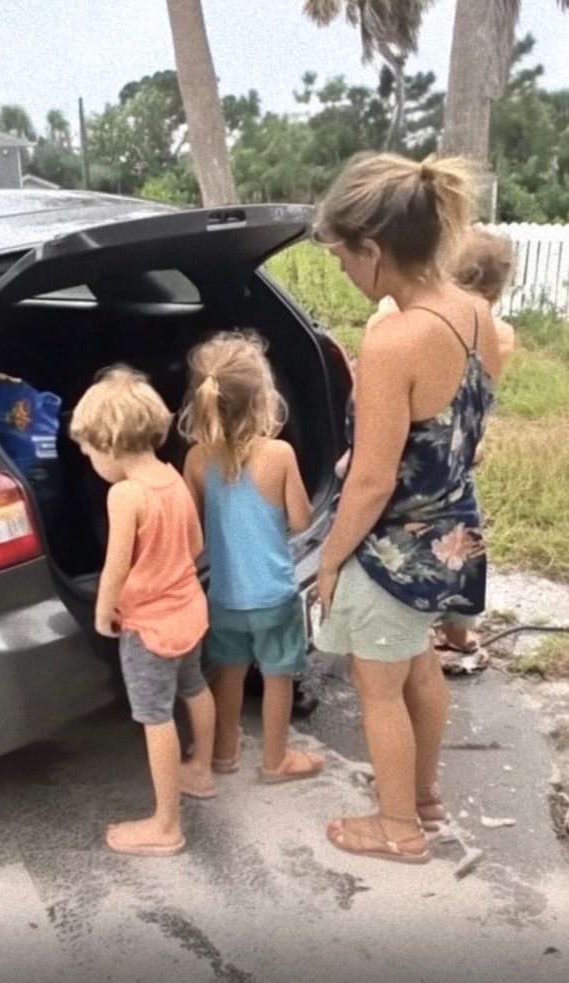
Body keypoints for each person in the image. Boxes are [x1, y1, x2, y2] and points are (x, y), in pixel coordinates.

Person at [312, 152, 503, 864]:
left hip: (396, 546)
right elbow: (456, 430)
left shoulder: (393, 337)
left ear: (373, 246)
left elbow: (370, 483)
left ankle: (396, 829)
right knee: (420, 665)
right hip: (454, 532)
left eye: (341, 257)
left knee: (378, 686)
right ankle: (421, 798)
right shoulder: (474, 312)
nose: (341, 271)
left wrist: (329, 561)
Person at [69, 366, 217, 857]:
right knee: (195, 687)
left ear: (109, 445)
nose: (89, 461)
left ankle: (166, 824)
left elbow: (113, 569)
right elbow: (195, 544)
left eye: (88, 452)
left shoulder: (124, 494)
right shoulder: (172, 478)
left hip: (150, 627)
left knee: (156, 718)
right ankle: (202, 770)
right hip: (189, 611)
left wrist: (102, 612)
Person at [363, 226, 517, 669]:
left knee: (418, 543)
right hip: (461, 456)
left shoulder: (399, 326)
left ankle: (421, 625)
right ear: (495, 288)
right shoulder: (495, 331)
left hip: (417, 464)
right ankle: (456, 632)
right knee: (461, 535)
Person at [178, 331, 325, 784]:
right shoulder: (279, 454)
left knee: (230, 674)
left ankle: (223, 753)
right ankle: (274, 760)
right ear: (263, 398)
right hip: (275, 597)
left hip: (224, 597)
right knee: (278, 677)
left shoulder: (197, 460)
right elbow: (301, 521)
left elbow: (192, 534)